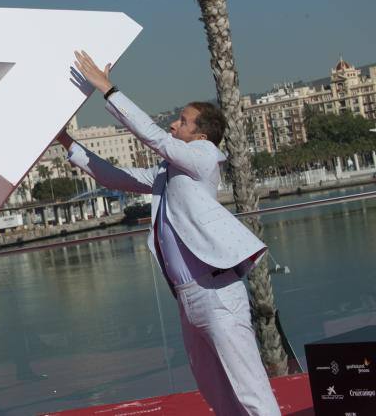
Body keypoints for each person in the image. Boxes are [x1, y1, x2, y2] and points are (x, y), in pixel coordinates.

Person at [58, 51, 280, 415]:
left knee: (250, 389)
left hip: (218, 294)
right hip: (188, 300)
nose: (174, 125)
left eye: (182, 121)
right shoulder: (168, 173)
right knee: (218, 395)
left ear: (202, 135)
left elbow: (154, 138)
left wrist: (108, 89)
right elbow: (115, 176)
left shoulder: (205, 156)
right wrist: (68, 143)